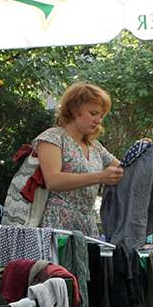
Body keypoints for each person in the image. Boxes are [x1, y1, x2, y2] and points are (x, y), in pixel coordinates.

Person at [34, 82, 123, 237]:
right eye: (93, 113)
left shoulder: (96, 147)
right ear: (74, 109)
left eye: (101, 116)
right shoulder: (53, 137)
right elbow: (53, 180)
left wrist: (142, 150)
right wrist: (100, 177)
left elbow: (125, 170)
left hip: (87, 227)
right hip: (58, 223)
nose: (98, 121)